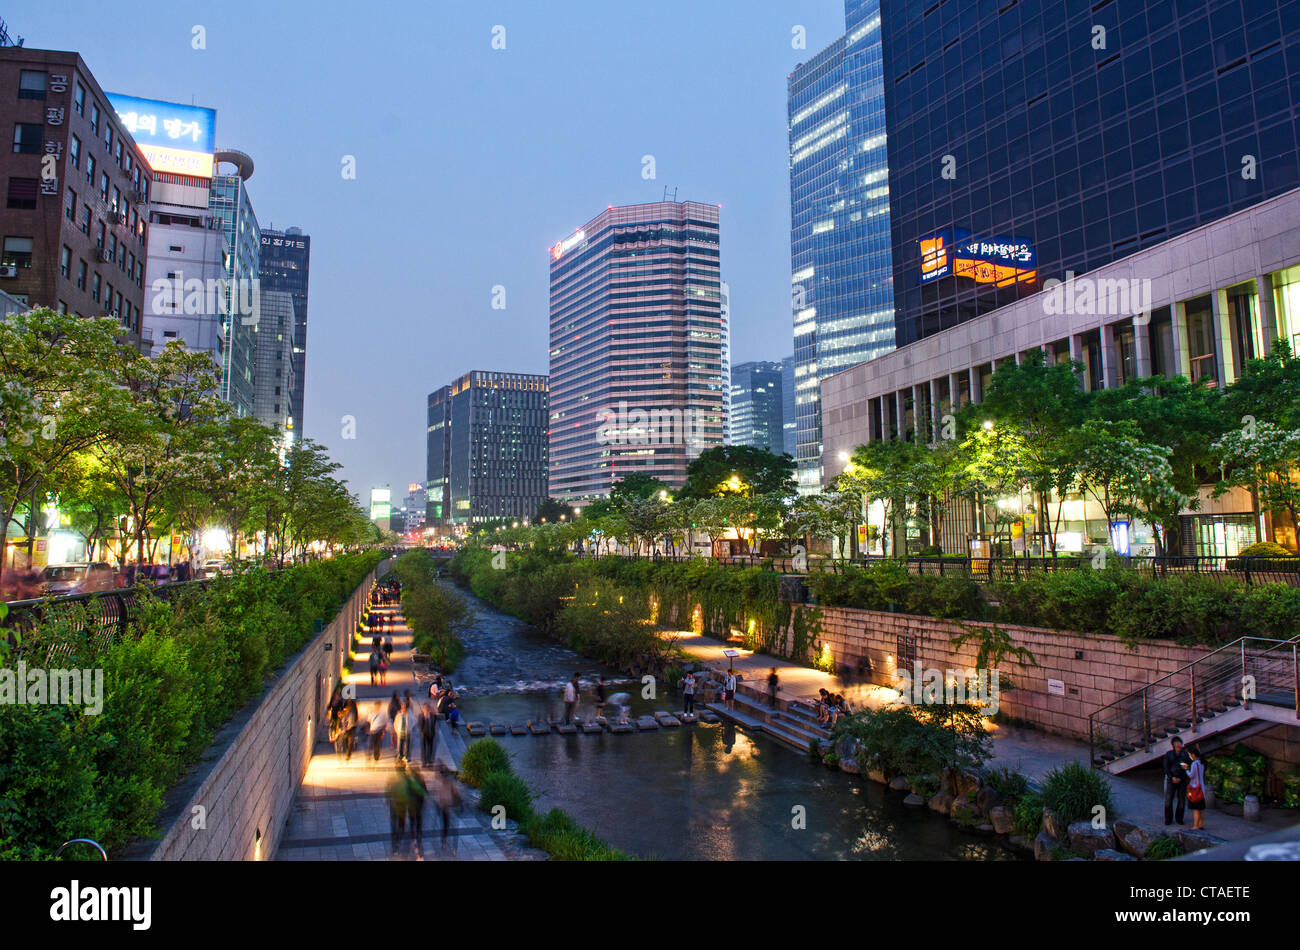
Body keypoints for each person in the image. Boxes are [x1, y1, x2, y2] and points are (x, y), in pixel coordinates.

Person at [433, 765, 462, 855]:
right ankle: (451, 846)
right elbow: (457, 794)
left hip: (447, 807)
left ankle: (446, 843)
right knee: (451, 828)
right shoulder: (449, 783)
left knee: (447, 826)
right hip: (449, 808)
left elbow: (438, 797)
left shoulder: (444, 784)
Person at [1162, 736, 1191, 825]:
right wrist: (1171, 777)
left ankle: (1179, 818)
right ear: (1173, 745)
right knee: (1168, 799)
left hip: (1182, 779)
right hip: (1171, 779)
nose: (1178, 744)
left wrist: (1185, 770)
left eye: (1180, 743)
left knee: (1181, 800)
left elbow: (1189, 765)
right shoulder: (1169, 754)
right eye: (1176, 743)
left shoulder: (1185, 755)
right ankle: (1168, 818)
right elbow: (1166, 767)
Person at [386, 762, 412, 855]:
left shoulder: (392, 779)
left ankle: (395, 847)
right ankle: (397, 843)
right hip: (402, 806)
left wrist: (387, 805)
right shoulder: (407, 779)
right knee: (401, 825)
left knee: (394, 826)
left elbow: (387, 793)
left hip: (394, 805)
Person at [405, 765, 428, 859]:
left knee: (412, 822)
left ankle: (413, 837)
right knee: (418, 823)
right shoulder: (421, 781)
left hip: (412, 807)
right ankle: (418, 839)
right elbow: (425, 792)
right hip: (419, 807)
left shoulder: (410, 782)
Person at [1186, 744, 1207, 830]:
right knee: (1201, 809)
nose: (1189, 756)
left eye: (1189, 754)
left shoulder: (1194, 764)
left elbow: (1191, 775)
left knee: (1196, 809)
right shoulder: (1202, 763)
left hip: (1195, 788)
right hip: (1202, 788)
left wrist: (1186, 770)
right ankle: (1201, 824)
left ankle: (1195, 825)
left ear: (1193, 755)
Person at [419, 699, 438, 767]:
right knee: (424, 749)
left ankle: (429, 760)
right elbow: (420, 725)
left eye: (427, 708)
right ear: (423, 709)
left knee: (430, 747)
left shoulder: (433, 715)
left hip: (431, 733)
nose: (426, 709)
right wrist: (425, 717)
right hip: (424, 734)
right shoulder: (421, 716)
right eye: (425, 708)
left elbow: (434, 723)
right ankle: (424, 762)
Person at [394, 699, 411, 765]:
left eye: (404, 707)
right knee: (400, 746)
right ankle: (400, 756)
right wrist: (397, 731)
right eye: (402, 707)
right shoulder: (399, 715)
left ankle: (406, 757)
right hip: (400, 733)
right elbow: (395, 724)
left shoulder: (409, 714)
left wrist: (410, 729)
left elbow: (413, 721)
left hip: (407, 733)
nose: (403, 708)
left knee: (407, 746)